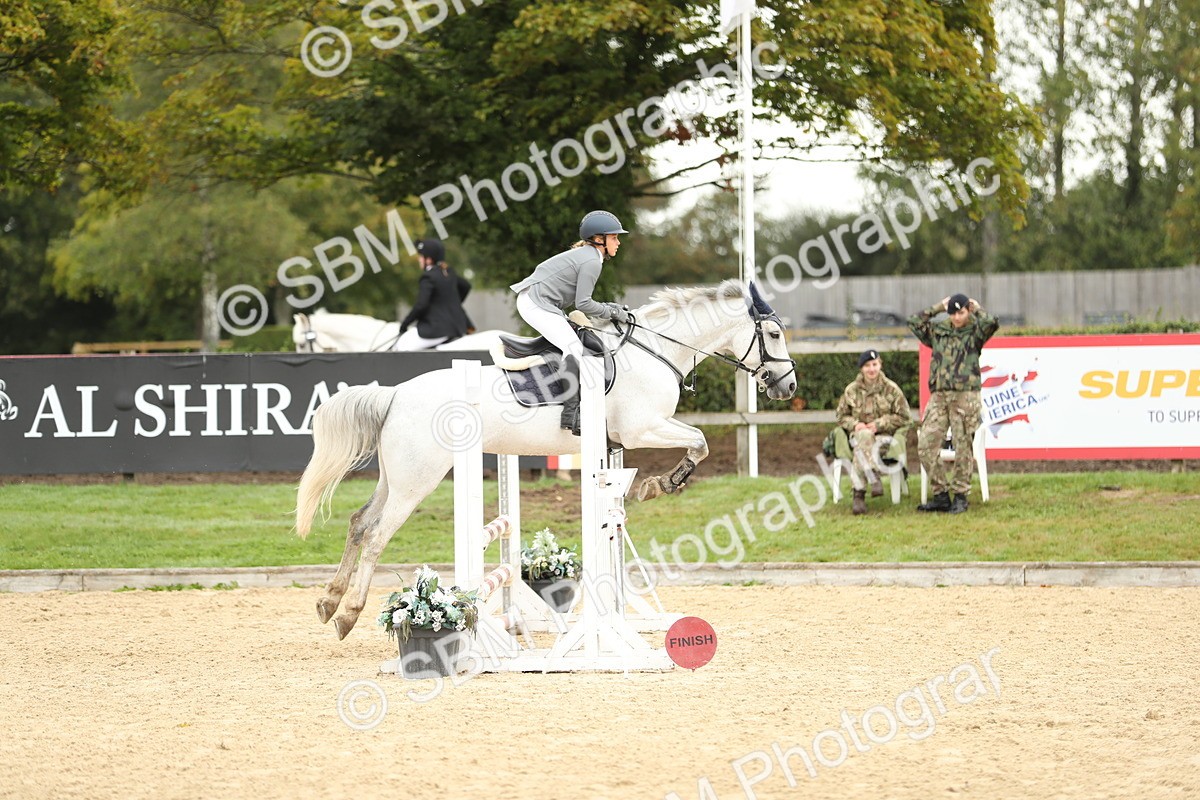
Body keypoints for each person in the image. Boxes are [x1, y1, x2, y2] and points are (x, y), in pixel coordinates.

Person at [509, 210, 634, 435]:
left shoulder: (589, 256)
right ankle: (571, 413)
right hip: (535, 303)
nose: (619, 242)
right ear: (599, 240)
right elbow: (584, 304)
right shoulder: (592, 261)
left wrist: (609, 308)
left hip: (538, 302)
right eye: (614, 237)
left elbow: (583, 302)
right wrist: (613, 313)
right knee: (574, 348)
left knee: (574, 342)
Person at [908, 293, 1000, 514]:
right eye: (953, 313)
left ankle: (960, 495)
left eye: (961, 313)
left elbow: (992, 323)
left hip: (965, 396)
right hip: (939, 396)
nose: (957, 318)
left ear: (967, 311)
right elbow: (914, 321)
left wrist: (977, 309)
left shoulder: (975, 332)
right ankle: (940, 494)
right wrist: (938, 306)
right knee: (926, 445)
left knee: (962, 447)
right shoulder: (939, 331)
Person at [835, 349, 912, 515]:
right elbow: (841, 417)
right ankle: (872, 475)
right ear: (861, 368)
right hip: (858, 436)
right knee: (863, 436)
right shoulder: (851, 391)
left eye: (875, 364)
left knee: (863, 444)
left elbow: (905, 417)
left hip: (884, 441)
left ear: (880, 365)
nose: (872, 369)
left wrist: (879, 424)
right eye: (867, 365)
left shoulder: (891, 389)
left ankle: (859, 495)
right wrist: (856, 425)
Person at [395, 239, 474, 350]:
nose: (419, 260)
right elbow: (466, 286)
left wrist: (404, 324)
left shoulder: (428, 277)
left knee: (401, 345)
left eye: (421, 256)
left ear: (429, 259)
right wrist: (451, 306)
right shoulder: (448, 272)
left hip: (437, 329)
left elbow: (421, 305)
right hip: (458, 327)